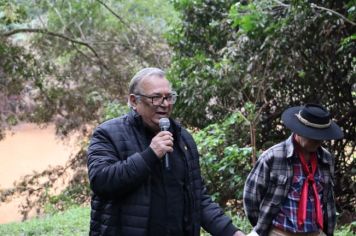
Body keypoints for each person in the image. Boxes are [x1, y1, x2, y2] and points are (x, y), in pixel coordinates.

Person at [87, 67, 245, 236]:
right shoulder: (108, 133)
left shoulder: (182, 138)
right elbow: (101, 181)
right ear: (134, 101)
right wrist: (150, 154)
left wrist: (231, 232)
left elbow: (197, 198)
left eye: (169, 97)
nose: (165, 104)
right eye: (156, 98)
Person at [243, 104, 344, 236]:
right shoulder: (273, 157)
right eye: (313, 136)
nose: (318, 141)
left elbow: (328, 200)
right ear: (299, 131)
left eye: (321, 137)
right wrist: (264, 228)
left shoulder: (325, 159)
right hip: (280, 232)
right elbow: (251, 197)